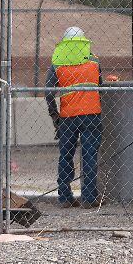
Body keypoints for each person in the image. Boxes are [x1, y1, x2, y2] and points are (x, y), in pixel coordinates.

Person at [45, 26, 102, 208]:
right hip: (92, 114)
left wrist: (55, 115)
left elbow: (48, 93)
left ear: (64, 44)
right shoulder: (94, 61)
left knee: (65, 155)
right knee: (90, 155)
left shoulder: (57, 64)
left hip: (68, 117)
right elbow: (100, 85)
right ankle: (89, 198)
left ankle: (65, 197)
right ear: (84, 43)